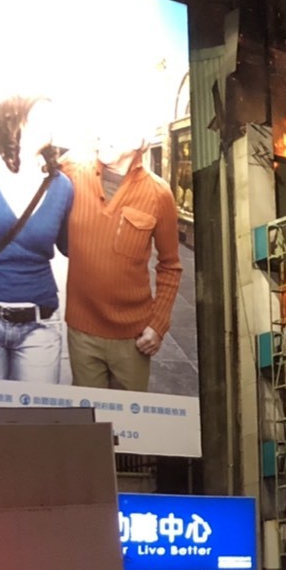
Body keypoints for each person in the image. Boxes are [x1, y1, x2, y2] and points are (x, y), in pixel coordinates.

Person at [0, 96, 74, 381]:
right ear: (15, 115)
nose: (51, 123)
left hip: (40, 323)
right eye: (42, 115)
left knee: (36, 409)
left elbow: (70, 245)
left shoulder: (62, 186)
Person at [63, 123, 181, 391]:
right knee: (89, 414)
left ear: (140, 140)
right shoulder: (73, 170)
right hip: (82, 330)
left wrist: (158, 324)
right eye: (103, 128)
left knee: (129, 415)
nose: (104, 136)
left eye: (117, 129)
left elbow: (170, 266)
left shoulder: (159, 194)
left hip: (133, 337)